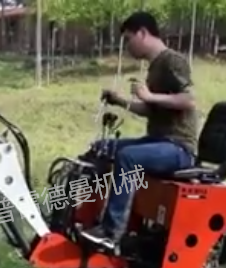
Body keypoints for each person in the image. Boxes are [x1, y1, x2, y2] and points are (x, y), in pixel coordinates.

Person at [80, 11, 199, 250]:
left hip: (178, 148)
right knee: (102, 148)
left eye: (128, 39)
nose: (127, 47)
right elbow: (149, 109)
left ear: (143, 33)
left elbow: (189, 100)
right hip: (158, 142)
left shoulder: (172, 61)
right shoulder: (154, 67)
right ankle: (85, 214)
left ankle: (111, 232)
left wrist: (150, 95)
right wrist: (119, 101)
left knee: (128, 157)